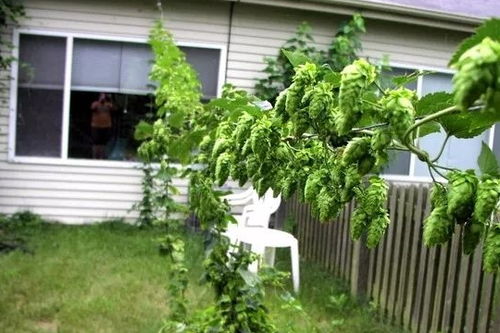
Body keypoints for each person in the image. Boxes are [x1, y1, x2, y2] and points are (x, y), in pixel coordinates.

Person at [90, 93, 115, 159]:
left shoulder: (108, 104)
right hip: (96, 126)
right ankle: (95, 157)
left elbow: (113, 109)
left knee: (103, 143)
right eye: (101, 96)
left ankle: (102, 157)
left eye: (104, 96)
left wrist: (110, 100)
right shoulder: (95, 103)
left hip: (106, 126)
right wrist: (100, 102)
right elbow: (92, 108)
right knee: (96, 142)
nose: (103, 98)